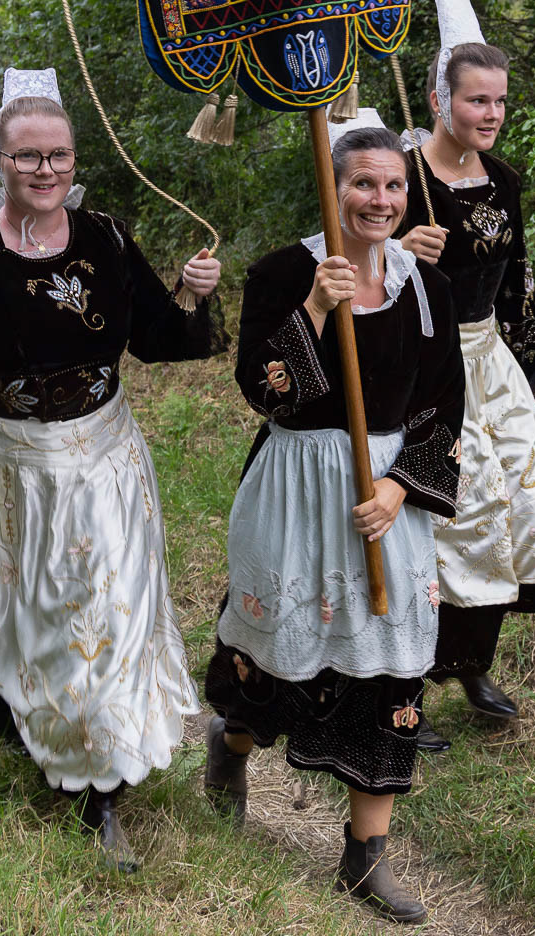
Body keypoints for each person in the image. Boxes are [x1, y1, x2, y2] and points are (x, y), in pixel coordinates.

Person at [0, 67, 222, 873]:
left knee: (104, 619)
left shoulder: (108, 240)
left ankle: (102, 792)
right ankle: (19, 712)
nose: (45, 171)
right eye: (26, 157)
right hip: (6, 464)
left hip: (104, 464)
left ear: (75, 161)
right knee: (16, 615)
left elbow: (162, 340)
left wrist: (195, 295)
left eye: (59, 156)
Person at [202, 111, 463, 925]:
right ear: (333, 187)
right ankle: (231, 746)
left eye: (391, 186)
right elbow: (262, 388)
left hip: (384, 501)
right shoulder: (285, 272)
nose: (379, 200)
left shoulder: (427, 287)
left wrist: (400, 492)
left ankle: (363, 857)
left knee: (391, 665)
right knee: (280, 654)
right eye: (362, 184)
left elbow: (447, 405)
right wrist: (315, 308)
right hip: (295, 485)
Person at [397, 0, 535, 754]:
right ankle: (407, 683)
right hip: (423, 364)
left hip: (490, 361)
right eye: (478, 99)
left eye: (500, 100)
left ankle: (471, 664)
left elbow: (516, 279)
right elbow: (345, 271)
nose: (492, 112)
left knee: (530, 508)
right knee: (453, 521)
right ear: (441, 100)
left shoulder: (503, 179)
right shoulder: (397, 177)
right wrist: (400, 253)